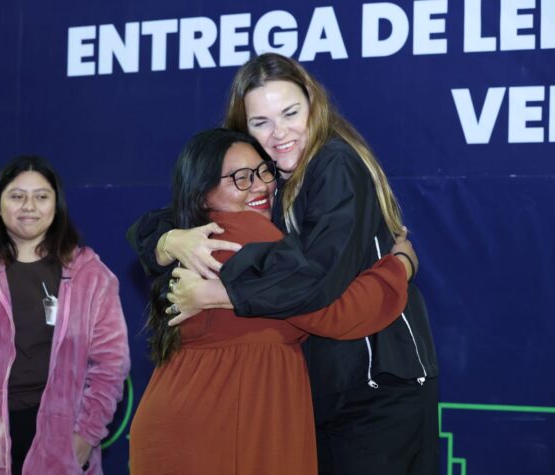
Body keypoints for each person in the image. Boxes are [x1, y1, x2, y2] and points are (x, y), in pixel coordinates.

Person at [127, 53, 438, 475]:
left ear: (314, 103)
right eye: (261, 122)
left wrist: (221, 294)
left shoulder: (333, 162)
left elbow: (317, 284)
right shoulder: (264, 185)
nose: (279, 133)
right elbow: (172, 212)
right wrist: (170, 240)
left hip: (375, 385)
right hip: (318, 390)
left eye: (290, 113)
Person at [0, 156, 130, 475]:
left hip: (63, 440)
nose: (29, 206)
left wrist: (87, 434)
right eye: (17, 196)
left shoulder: (92, 276)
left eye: (41, 196)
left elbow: (111, 363)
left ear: (56, 205)